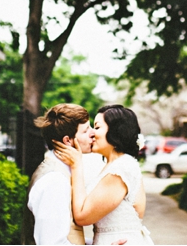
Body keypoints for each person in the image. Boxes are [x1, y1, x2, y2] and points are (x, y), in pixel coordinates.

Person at [54, 104, 154, 245]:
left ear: (115, 132)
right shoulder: (119, 165)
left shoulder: (120, 169)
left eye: (97, 127)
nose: (93, 133)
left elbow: (82, 217)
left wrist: (76, 165)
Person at [22, 103, 95, 245]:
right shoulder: (54, 180)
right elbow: (52, 242)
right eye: (86, 131)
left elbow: (70, 235)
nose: (93, 133)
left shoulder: (61, 172)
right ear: (68, 140)